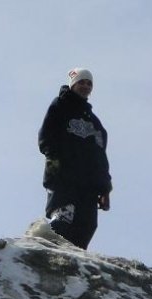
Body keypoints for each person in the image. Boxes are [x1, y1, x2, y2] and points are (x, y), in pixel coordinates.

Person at [38, 68, 112, 249]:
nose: (85, 86)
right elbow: (46, 137)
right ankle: (41, 249)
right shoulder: (60, 106)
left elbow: (100, 157)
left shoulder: (94, 123)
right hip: (64, 177)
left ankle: (73, 267)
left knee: (87, 226)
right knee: (64, 218)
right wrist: (54, 161)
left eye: (89, 83)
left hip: (89, 185)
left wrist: (105, 189)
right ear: (73, 84)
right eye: (81, 82)